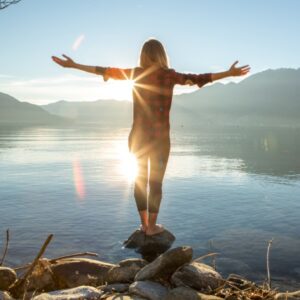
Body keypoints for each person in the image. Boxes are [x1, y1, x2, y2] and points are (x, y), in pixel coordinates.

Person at [52, 38, 250, 235]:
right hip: (160, 139)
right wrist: (229, 73)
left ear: (143, 55)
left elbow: (103, 70)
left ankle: (144, 225)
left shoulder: (136, 74)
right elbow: (199, 78)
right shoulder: (169, 76)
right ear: (162, 55)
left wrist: (74, 65)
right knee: (156, 183)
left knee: (139, 181)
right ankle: (152, 228)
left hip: (137, 138)